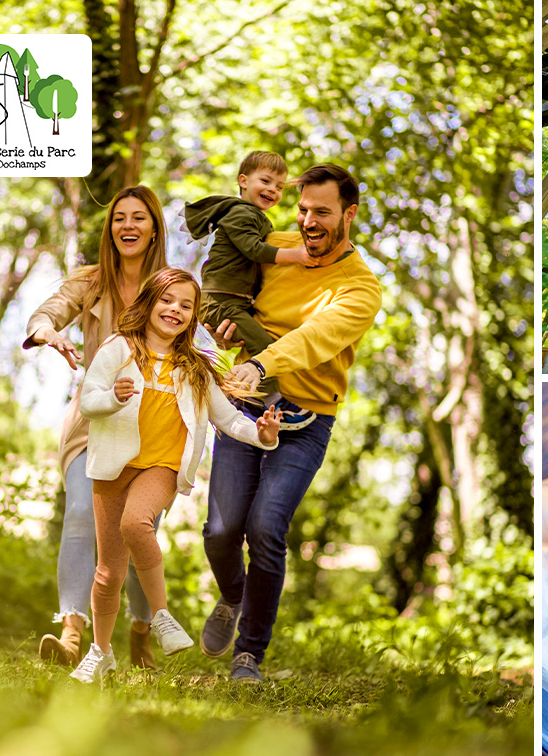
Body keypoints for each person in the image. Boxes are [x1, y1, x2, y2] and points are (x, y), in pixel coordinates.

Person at [200, 163, 382, 682]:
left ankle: (248, 654)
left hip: (307, 418)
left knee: (265, 528)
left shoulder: (360, 287)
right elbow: (222, 283)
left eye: (322, 212)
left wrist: (261, 362)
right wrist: (224, 322)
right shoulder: (275, 245)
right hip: (245, 404)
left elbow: (316, 337)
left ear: (349, 214)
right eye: (303, 210)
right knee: (220, 530)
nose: (308, 222)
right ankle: (234, 597)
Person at [69, 267, 282, 684]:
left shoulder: (196, 368)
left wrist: (262, 435)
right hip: (114, 465)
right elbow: (89, 401)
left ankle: (162, 616)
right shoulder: (118, 349)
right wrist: (113, 397)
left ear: (193, 317)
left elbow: (228, 418)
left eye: (186, 305)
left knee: (136, 523)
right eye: (168, 300)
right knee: (108, 572)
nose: (175, 310)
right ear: (150, 302)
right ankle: (100, 652)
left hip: (161, 467)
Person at [24, 186, 167, 669]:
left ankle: (141, 632)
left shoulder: (170, 287)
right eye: (119, 218)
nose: (127, 226)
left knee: (137, 528)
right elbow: (47, 311)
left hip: (153, 424)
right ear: (111, 230)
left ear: (153, 229)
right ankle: (71, 636)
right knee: (83, 514)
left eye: (138, 218)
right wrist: (48, 330)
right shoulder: (89, 281)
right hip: (94, 418)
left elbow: (203, 336)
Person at [185, 150, 317, 430]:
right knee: (264, 346)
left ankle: (244, 398)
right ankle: (273, 403)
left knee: (260, 341)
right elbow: (253, 249)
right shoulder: (241, 213)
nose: (273, 190)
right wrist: (296, 255)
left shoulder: (253, 215)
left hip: (232, 302)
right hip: (220, 302)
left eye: (279, 187)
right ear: (243, 180)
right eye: (266, 181)